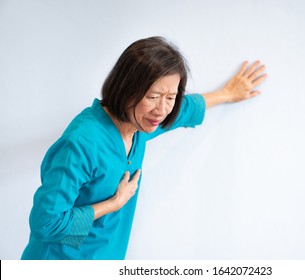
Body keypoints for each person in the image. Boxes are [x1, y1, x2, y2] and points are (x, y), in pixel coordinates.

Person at [21, 36, 267, 260]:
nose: (161, 109)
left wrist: (227, 94)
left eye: (170, 97)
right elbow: (46, 223)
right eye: (152, 96)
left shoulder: (141, 124)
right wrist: (114, 204)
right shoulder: (82, 143)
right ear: (127, 89)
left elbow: (184, 110)